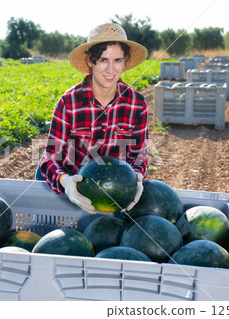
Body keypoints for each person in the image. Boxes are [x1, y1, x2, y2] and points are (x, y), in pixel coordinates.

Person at [38, 23, 149, 214]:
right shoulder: (69, 102)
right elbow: (50, 157)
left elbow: (138, 155)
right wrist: (66, 182)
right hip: (71, 180)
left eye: (118, 60)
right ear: (91, 60)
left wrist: (137, 177)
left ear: (125, 62)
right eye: (103, 60)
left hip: (109, 187)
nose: (111, 69)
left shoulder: (136, 104)